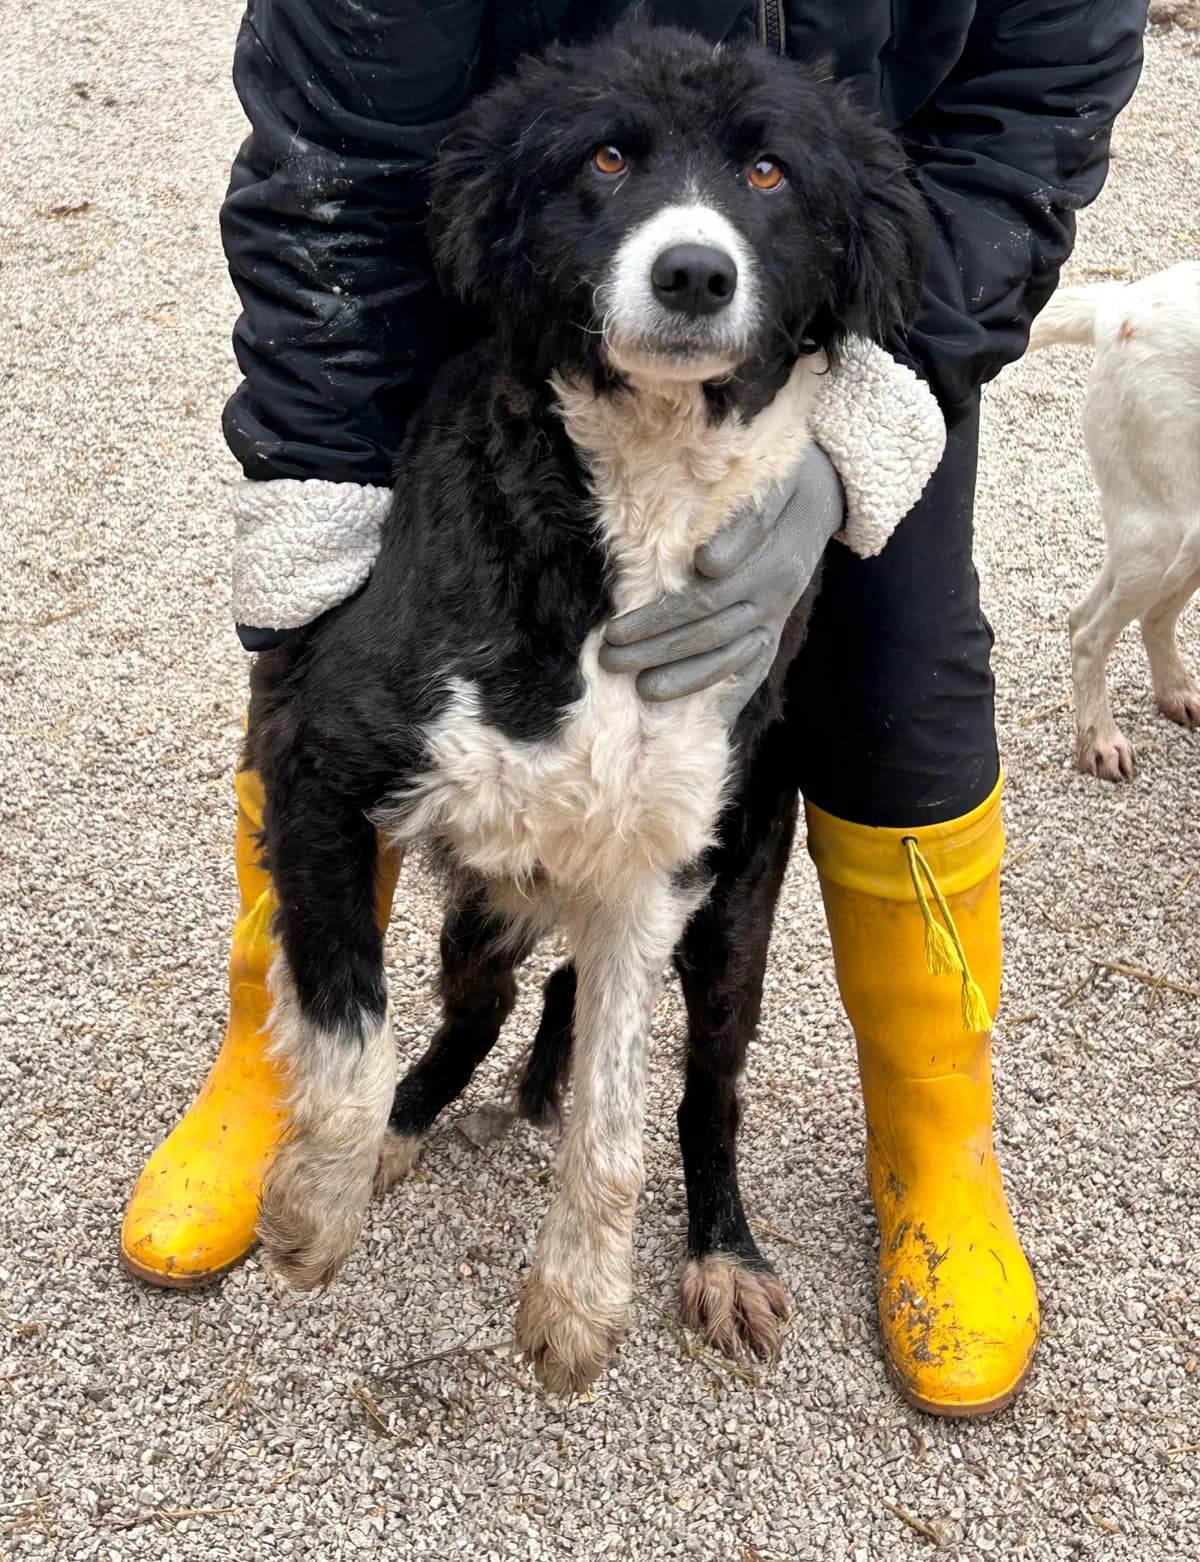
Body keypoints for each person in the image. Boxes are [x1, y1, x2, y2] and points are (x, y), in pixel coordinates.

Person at [121, 0, 1146, 1414]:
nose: (695, 233)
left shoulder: (844, 229)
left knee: (902, 696)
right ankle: (283, 1060)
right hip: (509, 240)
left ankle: (935, 1128)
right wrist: (316, 479)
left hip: (848, 318)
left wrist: (868, 423)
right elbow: (335, 122)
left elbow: (1032, 110)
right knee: (327, 648)